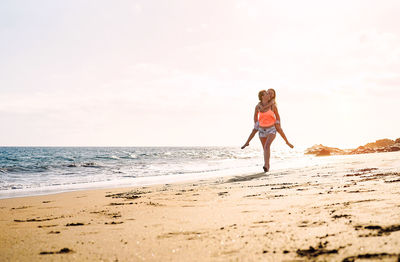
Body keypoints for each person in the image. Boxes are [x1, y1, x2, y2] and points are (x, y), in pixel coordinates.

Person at [241, 89, 293, 172]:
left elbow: (277, 115)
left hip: (271, 129)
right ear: (262, 96)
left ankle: (286, 142)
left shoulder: (273, 105)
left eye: (270, 94)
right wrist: (256, 123)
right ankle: (267, 165)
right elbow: (255, 116)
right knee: (265, 148)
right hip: (262, 129)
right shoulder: (258, 106)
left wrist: (278, 122)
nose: (268, 95)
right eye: (267, 93)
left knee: (267, 146)